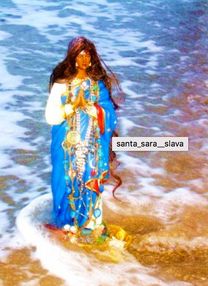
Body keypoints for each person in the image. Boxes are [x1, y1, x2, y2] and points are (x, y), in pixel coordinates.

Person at [45, 36, 123, 236]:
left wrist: (92, 109)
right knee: (64, 179)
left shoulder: (97, 86)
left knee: (90, 176)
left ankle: (91, 223)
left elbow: (110, 114)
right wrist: (71, 107)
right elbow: (51, 116)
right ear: (72, 58)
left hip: (91, 145)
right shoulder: (62, 85)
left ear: (92, 58)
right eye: (79, 55)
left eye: (87, 55)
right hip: (66, 144)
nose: (83, 60)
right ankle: (65, 224)